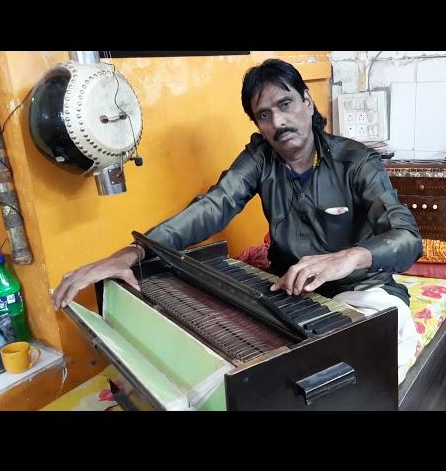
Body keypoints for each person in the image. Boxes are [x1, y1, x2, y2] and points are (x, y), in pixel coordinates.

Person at [53, 59, 422, 381]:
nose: (278, 121)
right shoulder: (260, 158)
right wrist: (132, 252)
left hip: (359, 290)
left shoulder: (356, 162)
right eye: (264, 114)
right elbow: (214, 205)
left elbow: (407, 237)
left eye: (286, 103)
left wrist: (347, 258)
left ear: (307, 102)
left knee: (372, 350)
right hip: (290, 293)